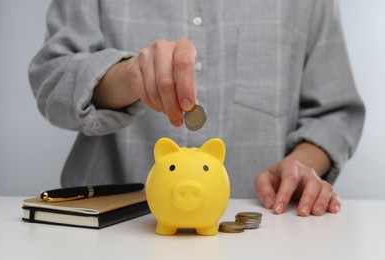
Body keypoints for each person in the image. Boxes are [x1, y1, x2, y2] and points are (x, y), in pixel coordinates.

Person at [29, 0, 365, 217]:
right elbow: (51, 82)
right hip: (109, 229)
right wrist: (129, 76)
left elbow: (334, 113)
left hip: (263, 230)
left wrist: (298, 165)